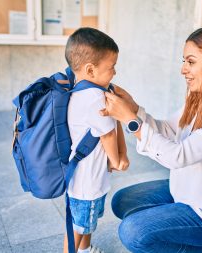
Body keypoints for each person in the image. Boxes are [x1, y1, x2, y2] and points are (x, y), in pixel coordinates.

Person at [100, 26, 202, 253]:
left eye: (191, 62)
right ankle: (175, 231)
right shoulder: (200, 98)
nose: (183, 69)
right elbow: (167, 130)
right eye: (184, 61)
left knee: (133, 232)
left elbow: (178, 156)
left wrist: (130, 121)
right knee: (123, 201)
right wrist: (134, 109)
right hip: (187, 191)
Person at [63, 27, 129, 253]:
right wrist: (116, 160)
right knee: (78, 226)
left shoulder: (81, 91)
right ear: (91, 70)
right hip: (87, 181)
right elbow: (107, 133)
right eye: (111, 67)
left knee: (86, 221)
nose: (115, 72)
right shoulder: (94, 97)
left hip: (86, 176)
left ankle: (84, 250)